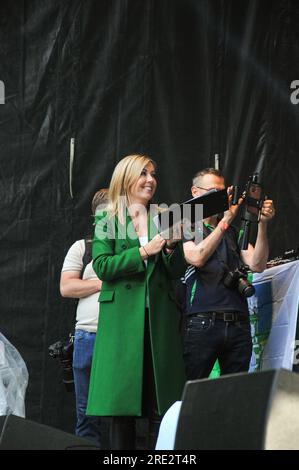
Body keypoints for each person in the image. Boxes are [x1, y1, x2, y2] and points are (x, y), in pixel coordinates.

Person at [86, 154, 187, 450]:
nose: (151, 180)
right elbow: (102, 266)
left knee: (163, 402)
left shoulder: (163, 217)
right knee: (122, 406)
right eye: (143, 173)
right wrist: (144, 252)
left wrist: (169, 247)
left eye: (154, 174)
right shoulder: (108, 218)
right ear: (126, 178)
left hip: (159, 322)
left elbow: (175, 272)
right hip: (122, 322)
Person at [182, 168, 275, 380]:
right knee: (194, 390)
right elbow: (196, 257)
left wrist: (262, 224)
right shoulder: (189, 226)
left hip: (238, 324)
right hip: (203, 322)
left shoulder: (234, 233)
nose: (220, 198)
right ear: (195, 192)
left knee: (234, 393)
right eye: (213, 191)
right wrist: (225, 221)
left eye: (222, 192)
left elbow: (257, 264)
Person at [60, 189, 108, 446]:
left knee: (125, 414)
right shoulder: (83, 247)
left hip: (121, 337)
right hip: (87, 336)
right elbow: (67, 288)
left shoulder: (132, 247)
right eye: (103, 216)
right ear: (94, 217)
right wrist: (104, 282)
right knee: (86, 415)